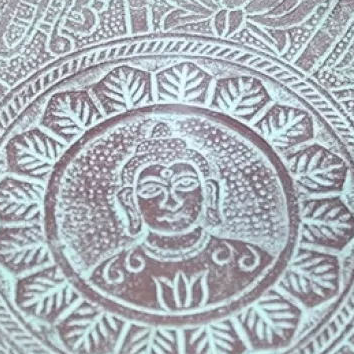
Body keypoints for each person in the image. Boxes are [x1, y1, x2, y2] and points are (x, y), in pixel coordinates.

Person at [89, 122, 272, 313]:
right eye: (152, 189)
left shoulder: (249, 261)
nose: (171, 201)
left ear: (209, 193)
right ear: (129, 202)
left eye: (185, 184)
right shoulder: (113, 275)